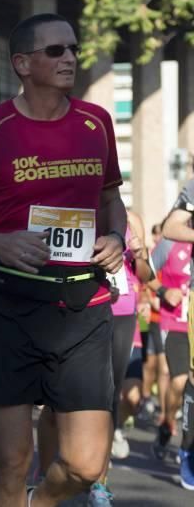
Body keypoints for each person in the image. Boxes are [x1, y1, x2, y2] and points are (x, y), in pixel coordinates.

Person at [0, 14, 126, 507]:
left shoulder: (96, 123)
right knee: (9, 457)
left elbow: (112, 200)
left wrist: (115, 235)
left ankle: (39, 502)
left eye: (72, 48)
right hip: (9, 304)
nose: (69, 57)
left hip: (83, 304)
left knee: (87, 464)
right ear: (22, 63)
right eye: (55, 51)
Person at [35, 210, 153, 506]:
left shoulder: (129, 218)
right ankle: (45, 472)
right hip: (76, 308)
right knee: (54, 401)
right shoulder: (68, 209)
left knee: (107, 399)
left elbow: (146, 275)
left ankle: (100, 482)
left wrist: (139, 253)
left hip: (121, 312)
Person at [159, 184, 194, 489]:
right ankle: (186, 444)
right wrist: (161, 292)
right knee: (183, 381)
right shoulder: (193, 188)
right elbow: (171, 226)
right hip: (178, 322)